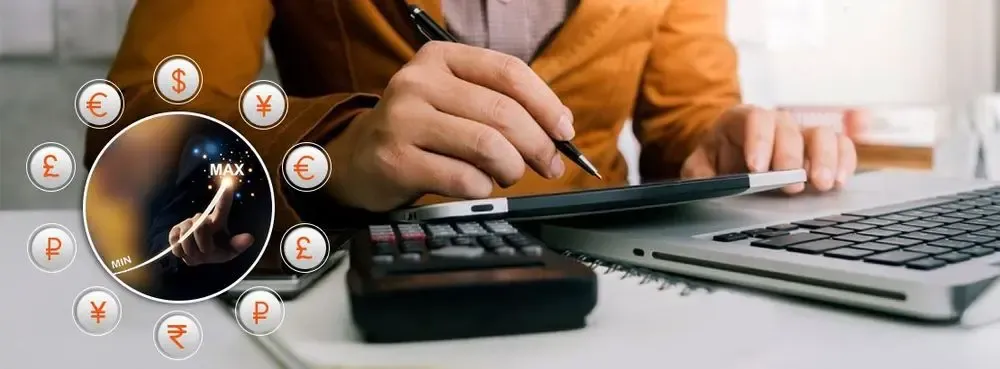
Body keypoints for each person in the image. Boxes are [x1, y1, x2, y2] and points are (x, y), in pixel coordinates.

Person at [85, 0, 860, 266]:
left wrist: (717, 144)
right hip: (362, 294)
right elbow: (124, 136)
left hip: (614, 297)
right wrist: (332, 154)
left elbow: (684, 125)